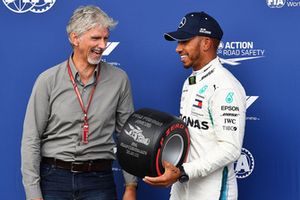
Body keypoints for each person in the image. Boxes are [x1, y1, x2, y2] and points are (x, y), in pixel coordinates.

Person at [21, 5, 137, 200]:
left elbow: (127, 137)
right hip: (54, 179)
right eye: (95, 38)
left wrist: (131, 186)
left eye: (105, 38)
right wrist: (33, 194)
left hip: (99, 180)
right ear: (75, 38)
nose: (102, 45)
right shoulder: (48, 80)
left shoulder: (119, 79)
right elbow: (31, 139)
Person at [143, 12, 246, 200]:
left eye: (184, 42)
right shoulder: (191, 81)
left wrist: (183, 171)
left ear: (206, 43)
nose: (178, 49)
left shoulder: (225, 86)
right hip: (182, 188)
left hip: (213, 193)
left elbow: (230, 148)